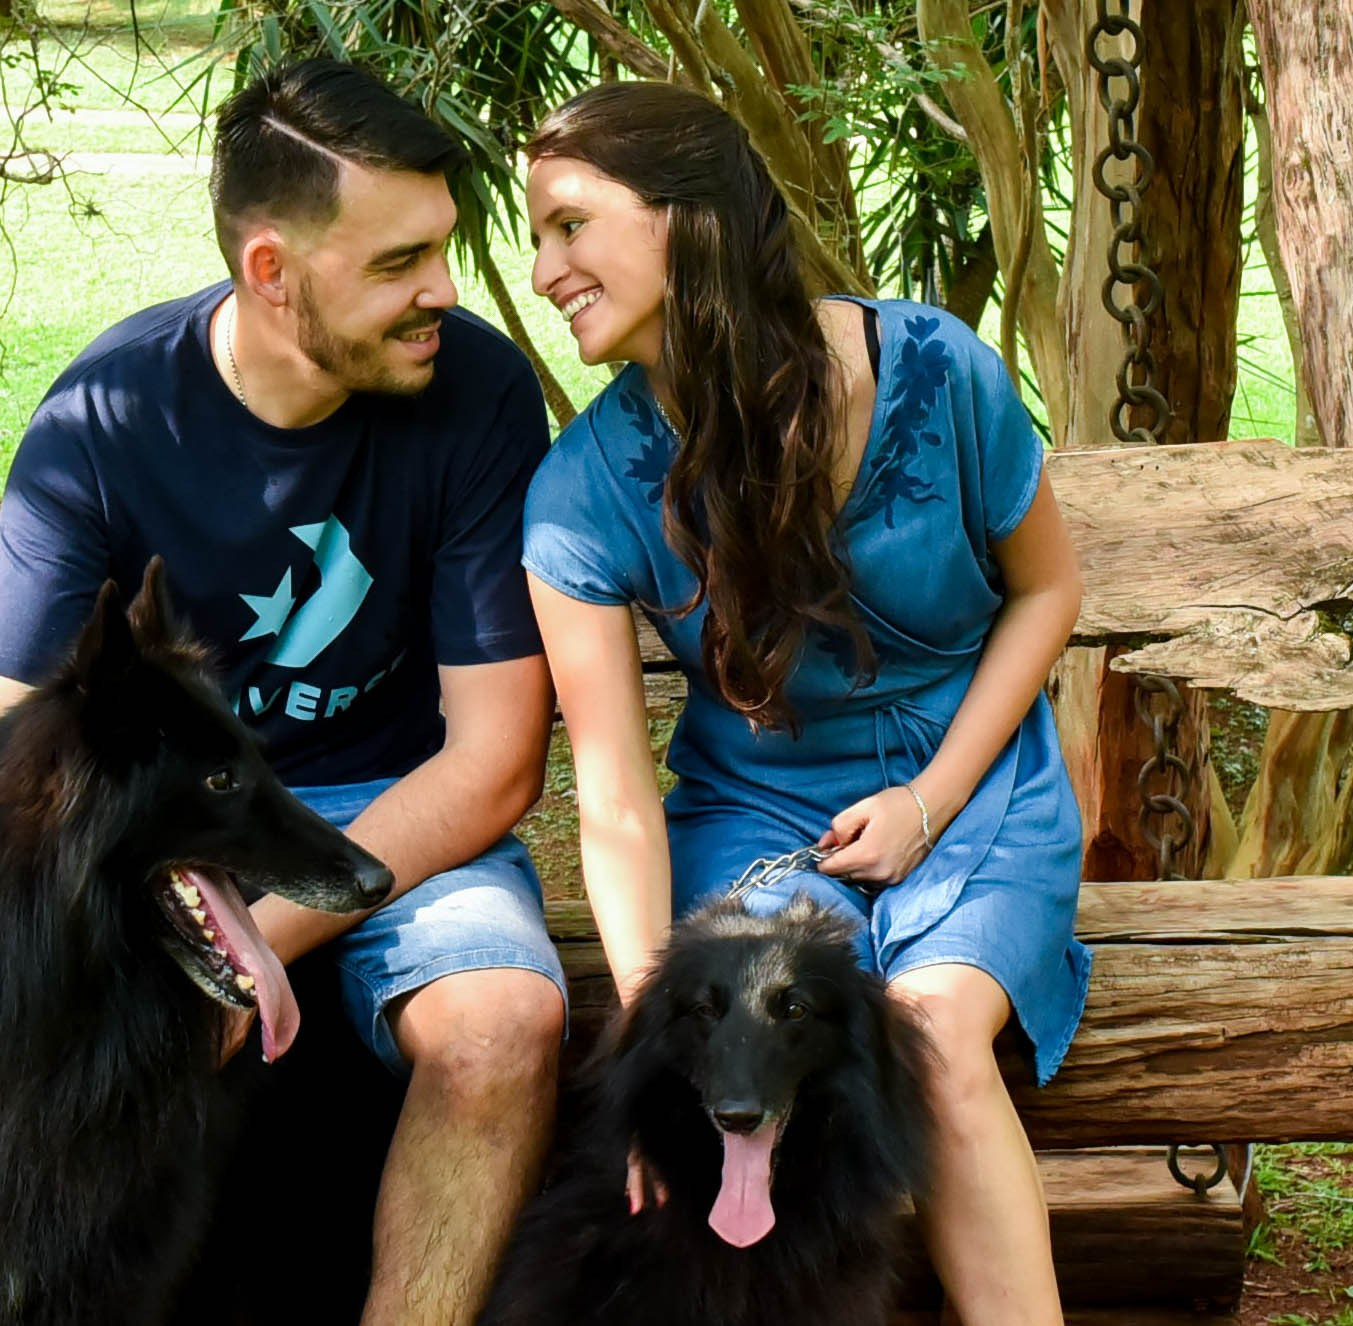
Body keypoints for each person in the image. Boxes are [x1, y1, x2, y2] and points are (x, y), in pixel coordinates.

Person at [0, 59, 565, 1326]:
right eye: (398, 262)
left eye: (442, 250)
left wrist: (243, 952)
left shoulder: (476, 396)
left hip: (383, 812)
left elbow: (494, 760)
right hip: (166, 828)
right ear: (271, 270)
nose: (441, 294)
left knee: (499, 1024)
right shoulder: (108, 414)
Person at [521, 82, 1089, 1324]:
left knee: (933, 1037)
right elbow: (612, 796)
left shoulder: (937, 375)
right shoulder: (580, 493)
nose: (541, 267)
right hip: (755, 816)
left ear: (687, 217)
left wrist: (929, 805)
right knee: (749, 1033)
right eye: (535, 235)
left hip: (973, 784)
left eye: (568, 224)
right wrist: (647, 1047)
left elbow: (1044, 596)